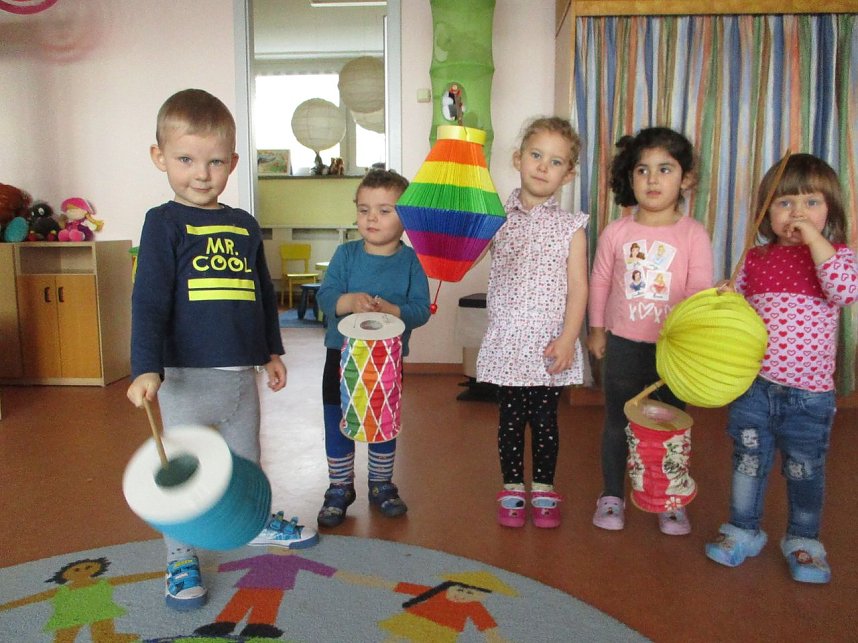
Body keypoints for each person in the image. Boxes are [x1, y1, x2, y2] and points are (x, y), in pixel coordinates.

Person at [126, 89, 293, 610]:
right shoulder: (164, 223)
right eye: (186, 160)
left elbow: (262, 293)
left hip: (241, 376)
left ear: (233, 163)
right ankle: (180, 557)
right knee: (185, 472)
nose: (202, 173)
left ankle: (256, 520)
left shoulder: (244, 225)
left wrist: (271, 350)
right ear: (160, 158)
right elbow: (148, 301)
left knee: (247, 459)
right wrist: (145, 367)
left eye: (216, 161)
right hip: (185, 381)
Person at [705, 154, 857, 584]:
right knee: (747, 461)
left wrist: (814, 239)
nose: (797, 213)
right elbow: (738, 312)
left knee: (804, 467)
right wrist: (725, 296)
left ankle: (804, 540)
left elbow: (846, 292)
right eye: (785, 203)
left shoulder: (836, 258)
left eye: (811, 203)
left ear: (831, 211)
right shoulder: (755, 259)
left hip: (809, 396)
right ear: (766, 212)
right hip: (755, 387)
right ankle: (743, 529)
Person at [587, 127, 713, 535]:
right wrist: (596, 329)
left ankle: (668, 497)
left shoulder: (693, 234)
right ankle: (612, 494)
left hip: (674, 353)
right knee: (617, 422)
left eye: (665, 169)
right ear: (629, 176)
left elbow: (698, 294)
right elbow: (600, 282)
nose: (653, 179)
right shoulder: (616, 232)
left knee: (670, 426)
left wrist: (692, 347)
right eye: (642, 170)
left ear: (686, 178)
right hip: (623, 344)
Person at [476, 116, 589, 529]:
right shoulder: (495, 216)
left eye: (556, 161)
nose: (543, 166)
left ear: (568, 173)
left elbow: (579, 288)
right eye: (536, 155)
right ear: (518, 158)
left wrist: (568, 337)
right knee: (509, 419)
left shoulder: (571, 226)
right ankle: (511, 486)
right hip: (508, 340)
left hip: (547, 343)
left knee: (544, 420)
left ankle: (542, 486)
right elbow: (469, 254)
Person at [316, 169, 431, 528]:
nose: (371, 218)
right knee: (337, 421)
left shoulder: (412, 261)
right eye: (364, 209)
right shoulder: (346, 254)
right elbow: (325, 297)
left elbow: (420, 311)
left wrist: (392, 310)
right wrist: (347, 301)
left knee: (383, 422)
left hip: (386, 361)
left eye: (384, 210)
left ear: (406, 217)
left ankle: (381, 484)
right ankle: (339, 487)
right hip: (340, 356)